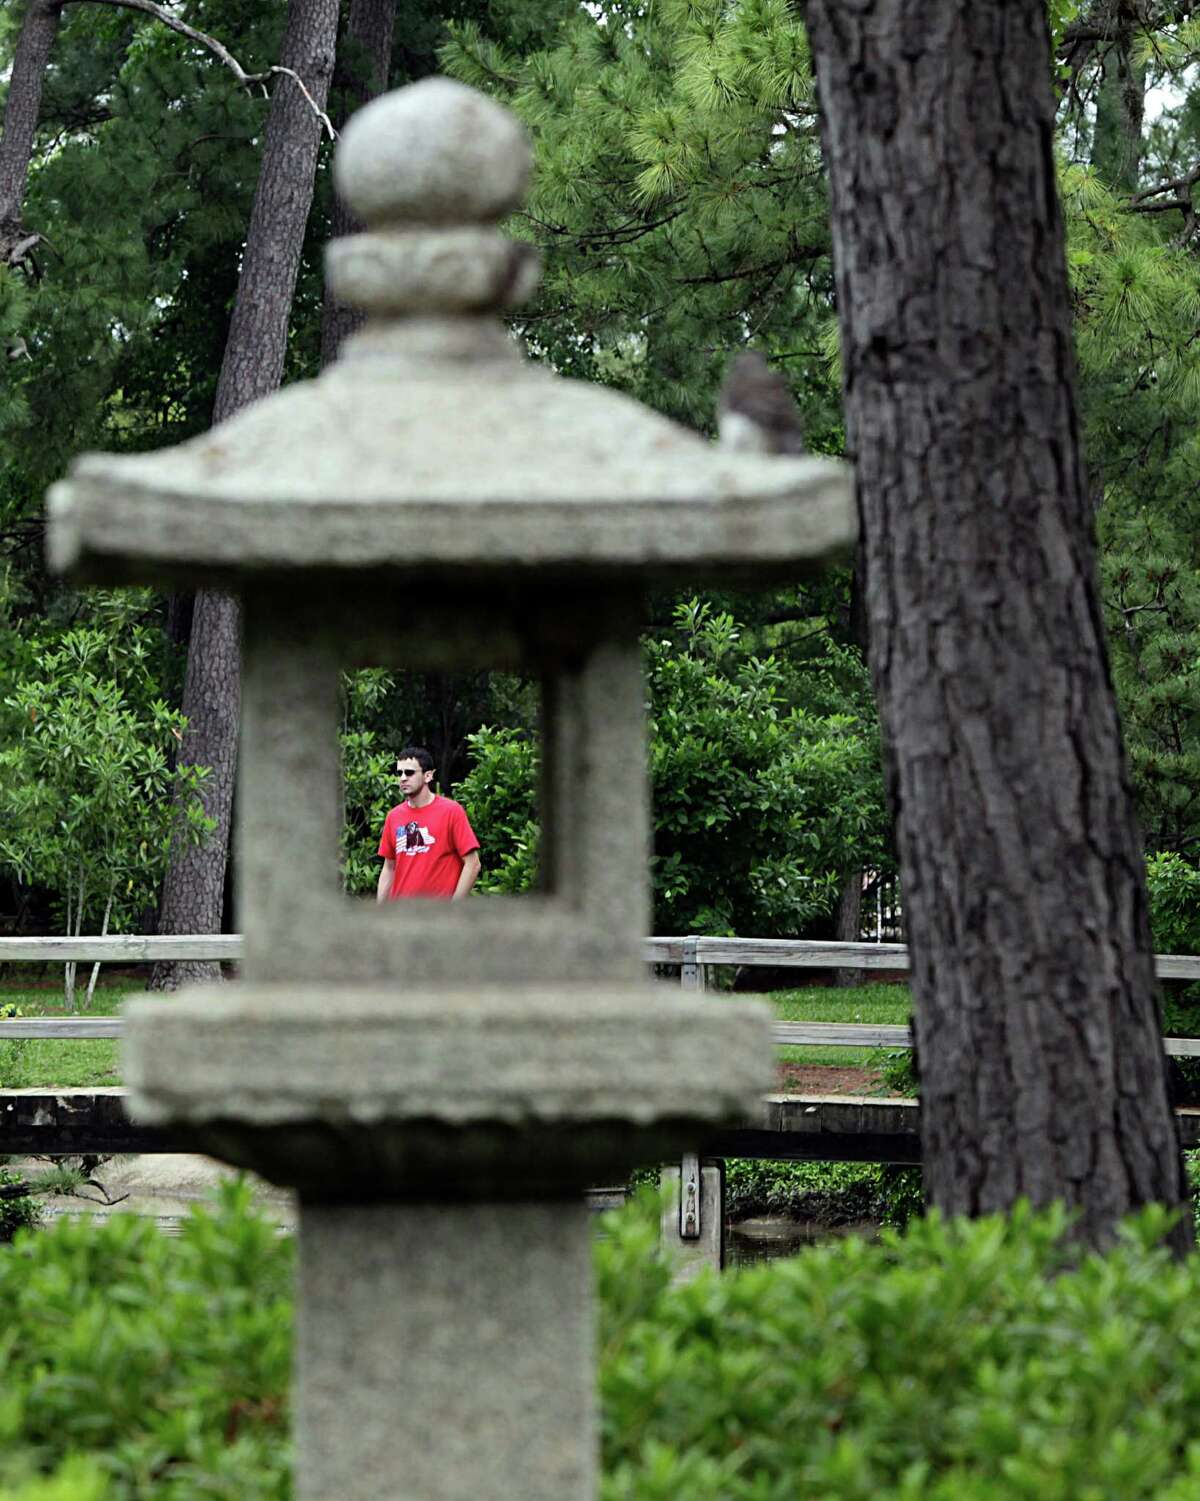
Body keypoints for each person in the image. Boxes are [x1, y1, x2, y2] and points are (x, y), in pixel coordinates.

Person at [376, 746, 481, 903]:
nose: (403, 778)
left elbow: (473, 864)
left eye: (409, 772)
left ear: (428, 776)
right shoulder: (394, 816)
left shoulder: (451, 811)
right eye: (400, 773)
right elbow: (389, 867)